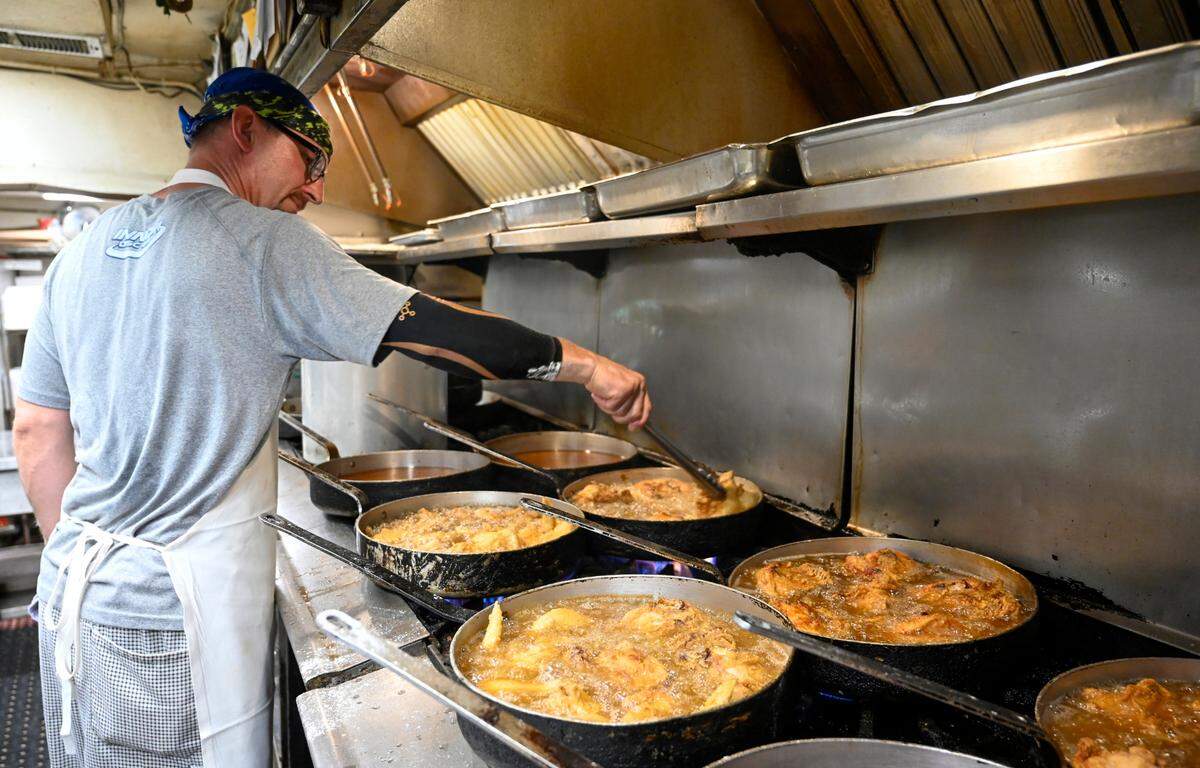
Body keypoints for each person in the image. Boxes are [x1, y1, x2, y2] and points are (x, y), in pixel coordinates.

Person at [14, 67, 651, 768]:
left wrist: (89, 564)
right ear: (247, 127)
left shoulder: (81, 252)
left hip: (76, 597)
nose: (316, 190)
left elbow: (39, 431)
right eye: (311, 160)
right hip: (175, 623)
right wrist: (588, 366)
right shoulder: (262, 243)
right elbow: (439, 333)